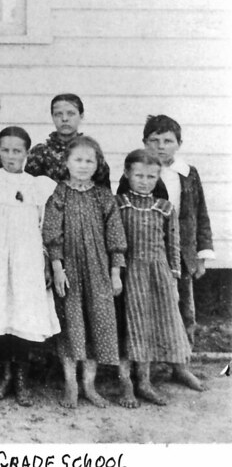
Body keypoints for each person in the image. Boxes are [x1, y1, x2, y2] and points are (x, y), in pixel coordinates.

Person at [0, 126, 60, 406]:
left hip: (27, 260)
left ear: (26, 153)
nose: (11, 156)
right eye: (6, 150)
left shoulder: (38, 185)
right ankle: (3, 376)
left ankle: (21, 379)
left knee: (22, 318)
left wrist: (45, 259)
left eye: (17, 151)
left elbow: (43, 226)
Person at [42, 136, 128, 409]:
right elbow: (52, 234)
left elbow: (115, 237)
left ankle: (89, 386)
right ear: (66, 163)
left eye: (89, 160)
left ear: (97, 164)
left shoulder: (104, 196)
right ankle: (71, 384)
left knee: (97, 326)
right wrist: (57, 269)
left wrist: (115, 273)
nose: (83, 165)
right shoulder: (59, 194)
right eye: (77, 160)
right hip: (69, 271)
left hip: (99, 271)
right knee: (72, 327)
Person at [115, 149, 202, 404]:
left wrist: (173, 281)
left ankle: (144, 381)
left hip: (157, 276)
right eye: (139, 175)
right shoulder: (118, 204)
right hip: (128, 275)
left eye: (151, 177)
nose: (144, 181)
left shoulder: (164, 208)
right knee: (128, 328)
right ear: (127, 174)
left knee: (150, 328)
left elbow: (173, 246)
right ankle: (126, 384)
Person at [137, 114, 213, 350]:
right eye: (154, 140)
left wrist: (201, 256)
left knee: (185, 306)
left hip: (182, 251)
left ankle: (183, 360)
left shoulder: (188, 173)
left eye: (168, 141)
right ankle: (154, 359)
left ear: (179, 144)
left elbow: (200, 214)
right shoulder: (138, 172)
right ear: (144, 142)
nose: (161, 146)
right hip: (150, 251)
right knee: (152, 306)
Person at [26, 93, 111, 188]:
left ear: (81, 116)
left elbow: (105, 192)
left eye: (71, 114)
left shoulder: (91, 151)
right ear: (52, 117)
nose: (64, 119)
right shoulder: (40, 153)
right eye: (58, 114)